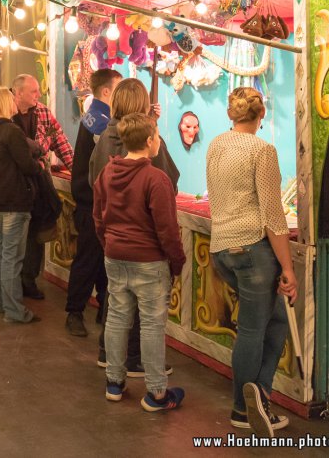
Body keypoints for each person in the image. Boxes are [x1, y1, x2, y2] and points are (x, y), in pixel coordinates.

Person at [206, 87, 295, 436]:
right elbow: (274, 217)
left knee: (275, 322)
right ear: (261, 115)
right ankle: (243, 410)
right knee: (254, 331)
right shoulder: (263, 150)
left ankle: (259, 398)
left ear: (233, 114)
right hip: (252, 250)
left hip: (221, 249)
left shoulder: (216, 144)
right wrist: (288, 268)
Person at [94, 113, 186, 412]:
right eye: (157, 135)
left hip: (115, 255)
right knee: (151, 325)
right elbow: (167, 229)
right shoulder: (156, 179)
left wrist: (108, 243)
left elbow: (98, 217)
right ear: (149, 141)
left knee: (118, 318)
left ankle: (114, 382)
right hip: (149, 260)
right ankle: (157, 392)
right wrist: (177, 261)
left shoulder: (107, 173)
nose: (158, 140)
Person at [89, 77, 179, 377]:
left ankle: (112, 369)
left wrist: (106, 237)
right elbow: (168, 190)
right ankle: (148, 376)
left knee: (116, 309)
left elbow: (96, 190)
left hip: (114, 243)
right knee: (148, 317)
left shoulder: (104, 138)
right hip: (145, 247)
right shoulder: (152, 168)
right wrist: (176, 260)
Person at [0, 88, 45, 323]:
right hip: (15, 200)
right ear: (6, 104)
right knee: (12, 257)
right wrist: (40, 167)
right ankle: (15, 310)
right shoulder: (10, 131)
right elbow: (27, 165)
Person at [65, 69, 123, 338]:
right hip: (92, 202)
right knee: (89, 259)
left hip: (92, 199)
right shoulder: (100, 121)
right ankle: (74, 311)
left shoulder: (96, 115)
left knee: (101, 261)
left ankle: (102, 307)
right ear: (107, 91)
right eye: (119, 88)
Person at [12, 74, 74, 300]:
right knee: (14, 236)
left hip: (39, 184)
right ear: (18, 93)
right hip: (15, 186)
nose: (39, 95)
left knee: (36, 234)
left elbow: (60, 141)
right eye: (33, 92)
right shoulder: (5, 114)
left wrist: (77, 171)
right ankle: (11, 285)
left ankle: (29, 280)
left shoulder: (43, 113)